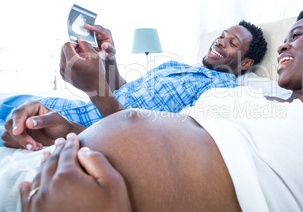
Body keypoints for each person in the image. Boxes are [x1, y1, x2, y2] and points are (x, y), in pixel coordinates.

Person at [2, 3, 303, 212]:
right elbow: (158, 133)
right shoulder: (249, 98)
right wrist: (70, 130)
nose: (282, 45)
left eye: (296, 36)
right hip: (50, 174)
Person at [1, 20, 268, 150]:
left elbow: (151, 139)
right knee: (8, 102)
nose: (220, 41)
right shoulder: (176, 66)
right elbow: (125, 90)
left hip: (75, 122)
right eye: (222, 36)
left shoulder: (222, 93)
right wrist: (110, 58)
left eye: (233, 43)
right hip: (70, 106)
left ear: (245, 64)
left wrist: (95, 88)